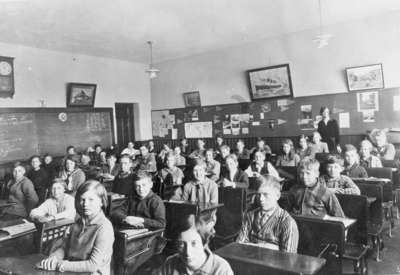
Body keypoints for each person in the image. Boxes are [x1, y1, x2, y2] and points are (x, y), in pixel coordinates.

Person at [37, 180, 114, 275]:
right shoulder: (78, 222)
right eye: (82, 199)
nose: (85, 204)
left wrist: (60, 264)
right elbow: (65, 247)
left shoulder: (105, 227)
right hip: (72, 270)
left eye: (91, 199)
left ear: (101, 202)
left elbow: (93, 265)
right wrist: (54, 257)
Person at [153, 214, 233, 275]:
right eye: (181, 244)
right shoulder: (171, 263)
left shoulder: (221, 269)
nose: (188, 252)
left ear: (204, 243)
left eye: (194, 243)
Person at [237, 175, 299, 252]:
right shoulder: (250, 215)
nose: (261, 199)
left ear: (277, 196)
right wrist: (271, 247)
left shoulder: (287, 222)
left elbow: (288, 258)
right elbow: (239, 246)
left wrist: (251, 245)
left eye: (266, 195)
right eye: (258, 194)